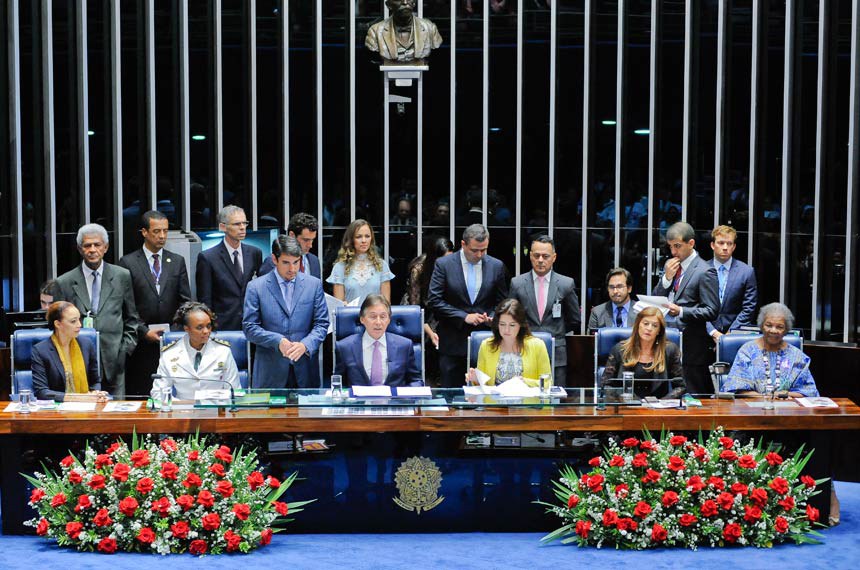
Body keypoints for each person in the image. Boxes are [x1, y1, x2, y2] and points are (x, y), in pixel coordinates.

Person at [55, 223, 140, 398]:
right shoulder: (64, 282)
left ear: (105, 247)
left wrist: (124, 351)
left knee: (116, 412)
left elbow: (132, 318)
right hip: (78, 358)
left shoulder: (122, 276)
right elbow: (58, 326)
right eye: (87, 245)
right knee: (84, 410)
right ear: (80, 249)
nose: (92, 250)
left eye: (97, 245)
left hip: (115, 360)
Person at [118, 210, 193, 396]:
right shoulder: (128, 263)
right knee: (143, 392)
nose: (162, 236)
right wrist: (144, 331)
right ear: (144, 232)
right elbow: (127, 305)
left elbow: (185, 301)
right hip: (141, 342)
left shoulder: (176, 261)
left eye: (165, 231)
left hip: (172, 340)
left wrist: (174, 331)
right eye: (156, 231)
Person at [427, 224, 508, 387]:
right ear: (463, 244)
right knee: (451, 395)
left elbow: (502, 301)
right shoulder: (444, 264)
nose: (479, 255)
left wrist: (493, 316)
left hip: (486, 342)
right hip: (452, 342)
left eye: (484, 250)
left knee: (486, 395)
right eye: (474, 250)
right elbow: (434, 300)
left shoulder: (496, 266)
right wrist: (464, 316)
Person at [243, 236, 329, 389]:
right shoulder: (256, 287)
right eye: (286, 263)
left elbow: (322, 324)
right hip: (270, 371)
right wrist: (277, 341)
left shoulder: (313, 285)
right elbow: (250, 328)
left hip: (305, 369)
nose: (292, 269)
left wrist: (305, 345)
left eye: (296, 262)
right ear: (274, 259)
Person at [652, 222, 719, 394]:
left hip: (692, 347)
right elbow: (656, 298)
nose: (673, 252)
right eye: (670, 247)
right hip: (667, 342)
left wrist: (681, 311)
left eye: (677, 246)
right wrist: (666, 279)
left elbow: (711, 310)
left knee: (692, 397)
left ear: (691, 243)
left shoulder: (705, 271)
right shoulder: (671, 266)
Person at [509, 235, 580, 386]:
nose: (540, 260)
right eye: (536, 256)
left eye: (545, 256)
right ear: (530, 256)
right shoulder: (517, 283)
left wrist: (556, 331)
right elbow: (511, 318)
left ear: (554, 257)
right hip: (525, 350)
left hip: (556, 353)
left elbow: (574, 320)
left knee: (555, 395)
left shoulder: (566, 284)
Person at [722, 303, 818, 397]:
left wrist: (783, 395)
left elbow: (809, 393)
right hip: (752, 405)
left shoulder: (797, 356)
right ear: (761, 326)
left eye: (779, 327)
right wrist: (766, 399)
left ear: (786, 330)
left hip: (787, 406)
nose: (773, 330)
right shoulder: (747, 352)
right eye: (768, 325)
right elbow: (737, 390)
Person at [153, 302, 240, 400]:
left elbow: (235, 391)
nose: (206, 331)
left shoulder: (223, 352)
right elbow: (158, 393)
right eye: (199, 327)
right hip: (182, 408)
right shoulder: (170, 354)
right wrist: (182, 406)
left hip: (216, 407)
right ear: (187, 328)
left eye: (208, 326)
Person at [196, 205, 263, 331]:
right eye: (237, 224)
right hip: (222, 325)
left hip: (252, 323)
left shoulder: (255, 253)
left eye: (244, 223)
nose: (242, 227)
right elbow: (205, 299)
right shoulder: (208, 258)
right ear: (223, 227)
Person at [335, 294, 423, 387]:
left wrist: (403, 394)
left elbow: (416, 381)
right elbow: (338, 384)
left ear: (389, 320)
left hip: (394, 396)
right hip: (358, 397)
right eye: (373, 317)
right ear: (362, 319)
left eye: (383, 317)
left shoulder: (404, 345)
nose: (378, 322)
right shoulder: (345, 347)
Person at [599, 306, 685, 399]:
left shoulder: (670, 350)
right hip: (626, 404)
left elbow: (681, 386)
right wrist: (625, 399)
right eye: (646, 323)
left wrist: (663, 402)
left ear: (659, 331)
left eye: (655, 325)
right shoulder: (620, 349)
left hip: (658, 406)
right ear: (638, 325)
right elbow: (606, 385)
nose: (649, 328)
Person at [31, 301, 106, 402]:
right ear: (58, 324)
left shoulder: (86, 344)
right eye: (73, 321)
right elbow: (42, 392)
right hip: (57, 407)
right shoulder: (41, 350)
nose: (79, 324)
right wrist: (79, 398)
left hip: (87, 405)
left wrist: (95, 393)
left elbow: (95, 381)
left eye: (79, 319)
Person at [466, 298, 551, 386]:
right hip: (495, 395)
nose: (506, 330)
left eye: (512, 325)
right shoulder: (486, 345)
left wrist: (525, 382)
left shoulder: (538, 345)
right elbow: (483, 385)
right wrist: (476, 379)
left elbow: (547, 383)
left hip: (526, 395)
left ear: (520, 325)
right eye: (502, 324)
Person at [706, 225, 758, 342]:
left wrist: (730, 334)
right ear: (712, 245)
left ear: (734, 247)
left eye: (729, 244)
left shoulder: (746, 272)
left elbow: (748, 308)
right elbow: (696, 306)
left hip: (735, 336)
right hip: (705, 334)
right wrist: (713, 332)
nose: (725, 247)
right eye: (721, 243)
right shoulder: (701, 270)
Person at [327, 219, 395, 304]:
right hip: (350, 312)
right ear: (351, 239)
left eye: (367, 236)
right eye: (358, 237)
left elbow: (386, 304)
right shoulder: (340, 267)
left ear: (371, 238)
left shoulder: (381, 265)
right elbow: (339, 306)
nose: (364, 240)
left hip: (376, 312)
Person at [365, 0, 443, 63]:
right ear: (388, 5)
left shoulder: (430, 28)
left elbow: (435, 47)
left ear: (414, 3)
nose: (405, 2)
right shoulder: (375, 31)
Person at [258, 212, 321, 279]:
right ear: (292, 235)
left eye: (312, 240)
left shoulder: (314, 261)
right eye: (306, 240)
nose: (310, 245)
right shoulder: (272, 262)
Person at [588, 268, 636, 332]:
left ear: (629, 288)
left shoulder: (641, 311)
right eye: (611, 287)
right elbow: (592, 338)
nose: (615, 291)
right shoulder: (597, 312)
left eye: (619, 286)